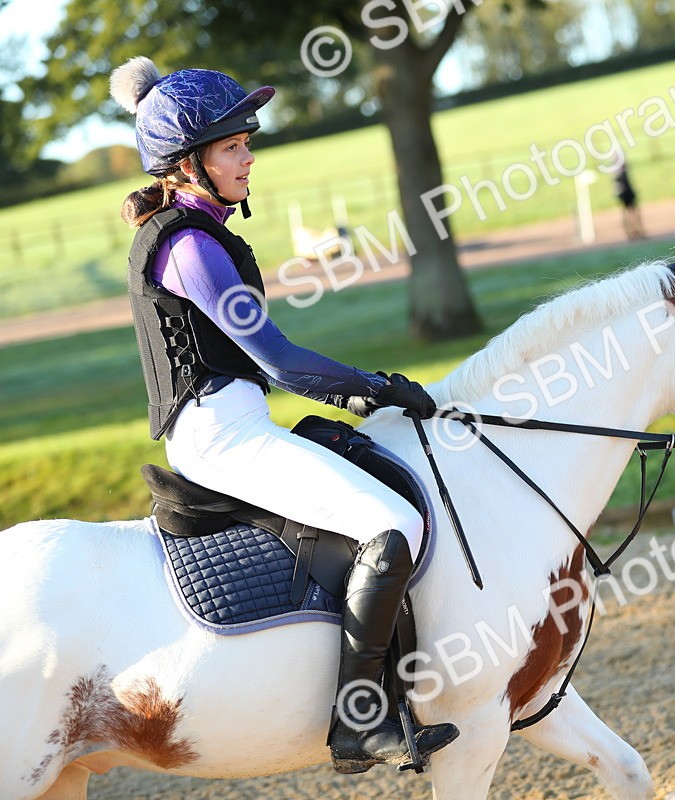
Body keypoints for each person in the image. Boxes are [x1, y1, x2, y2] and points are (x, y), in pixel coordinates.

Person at [109, 56, 458, 773]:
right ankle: (358, 723)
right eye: (234, 146)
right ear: (188, 162)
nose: (249, 157)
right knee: (392, 526)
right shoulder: (188, 245)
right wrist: (376, 385)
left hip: (237, 425)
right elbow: (279, 360)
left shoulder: (204, 231)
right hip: (220, 437)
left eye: (246, 142)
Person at [613, 153, 645, 239]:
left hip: (626, 188)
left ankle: (636, 231)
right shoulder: (617, 167)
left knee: (632, 210)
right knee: (629, 211)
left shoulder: (619, 163)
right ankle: (631, 232)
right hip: (624, 189)